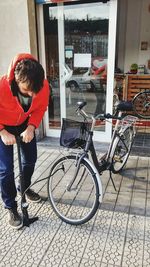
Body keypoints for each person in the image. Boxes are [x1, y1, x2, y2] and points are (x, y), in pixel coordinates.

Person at [0, 53, 50, 229]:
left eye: (34, 91)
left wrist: (31, 127)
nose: (31, 94)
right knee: (6, 170)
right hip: (3, 127)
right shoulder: (2, 86)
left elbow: (40, 107)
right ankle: (11, 207)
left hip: (24, 124)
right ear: (16, 78)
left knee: (30, 160)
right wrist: (2, 131)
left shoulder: (42, 85)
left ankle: (25, 188)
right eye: (27, 90)